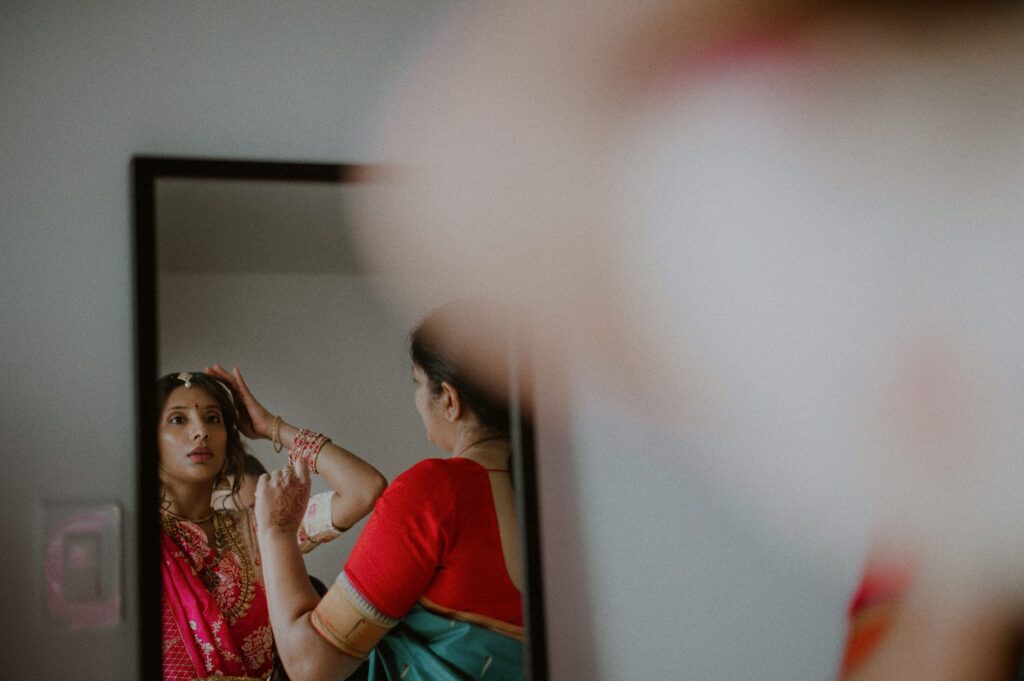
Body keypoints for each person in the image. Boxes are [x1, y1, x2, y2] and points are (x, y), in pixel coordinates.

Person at [256, 301, 525, 681]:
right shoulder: (553, 498)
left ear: (449, 399)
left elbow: (310, 665)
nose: (416, 399)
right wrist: (274, 428)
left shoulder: (438, 491)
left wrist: (275, 532)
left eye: (417, 383)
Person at [158, 366, 387, 681]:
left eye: (213, 418)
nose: (201, 431)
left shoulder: (261, 529)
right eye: (178, 419)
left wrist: (271, 427)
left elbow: (365, 489)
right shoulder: (134, 540)